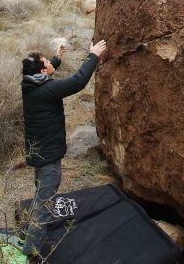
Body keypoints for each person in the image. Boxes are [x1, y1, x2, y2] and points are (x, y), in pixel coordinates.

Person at [20, 39, 107, 260]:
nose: (51, 62)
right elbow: (77, 82)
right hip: (48, 158)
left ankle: (34, 236)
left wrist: (57, 58)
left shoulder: (29, 84)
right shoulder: (47, 90)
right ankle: (31, 252)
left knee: (41, 195)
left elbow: (46, 74)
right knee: (44, 203)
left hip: (39, 154)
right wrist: (93, 56)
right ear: (42, 71)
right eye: (48, 62)